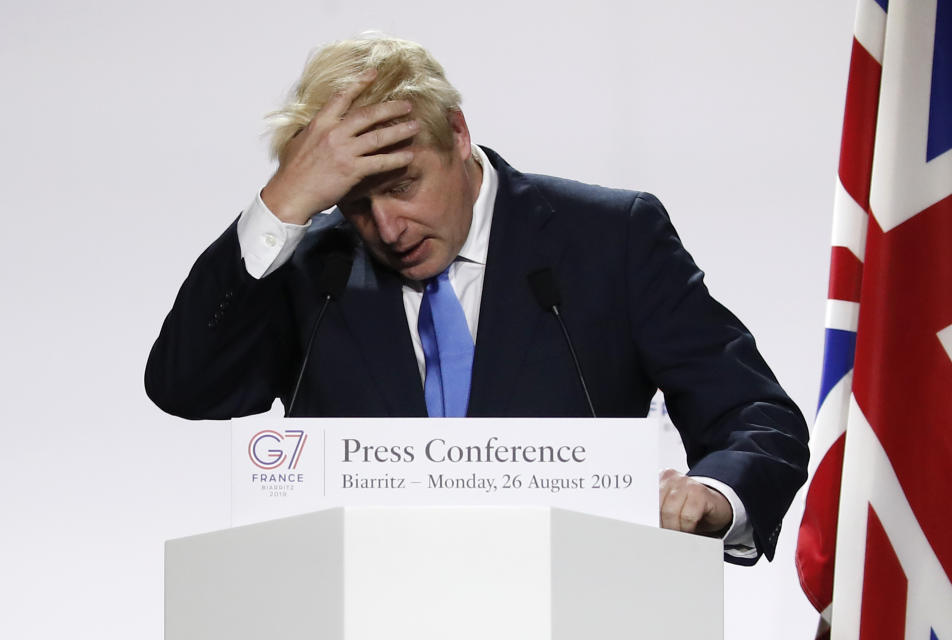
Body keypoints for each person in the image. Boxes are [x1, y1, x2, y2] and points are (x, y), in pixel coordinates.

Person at [145, 35, 808, 565]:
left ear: (458, 134)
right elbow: (188, 386)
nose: (387, 227)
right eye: (355, 202)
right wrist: (282, 204)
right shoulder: (307, 261)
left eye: (403, 184)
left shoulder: (611, 239)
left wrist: (712, 498)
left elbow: (755, 413)